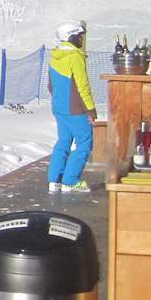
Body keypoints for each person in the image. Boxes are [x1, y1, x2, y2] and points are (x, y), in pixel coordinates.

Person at [47, 22, 98, 193]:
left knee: (63, 142)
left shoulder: (55, 55)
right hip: (75, 108)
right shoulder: (75, 56)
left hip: (59, 107)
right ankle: (71, 180)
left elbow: (50, 86)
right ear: (73, 37)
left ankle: (55, 180)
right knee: (84, 143)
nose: (82, 39)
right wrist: (90, 109)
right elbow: (82, 85)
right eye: (80, 36)